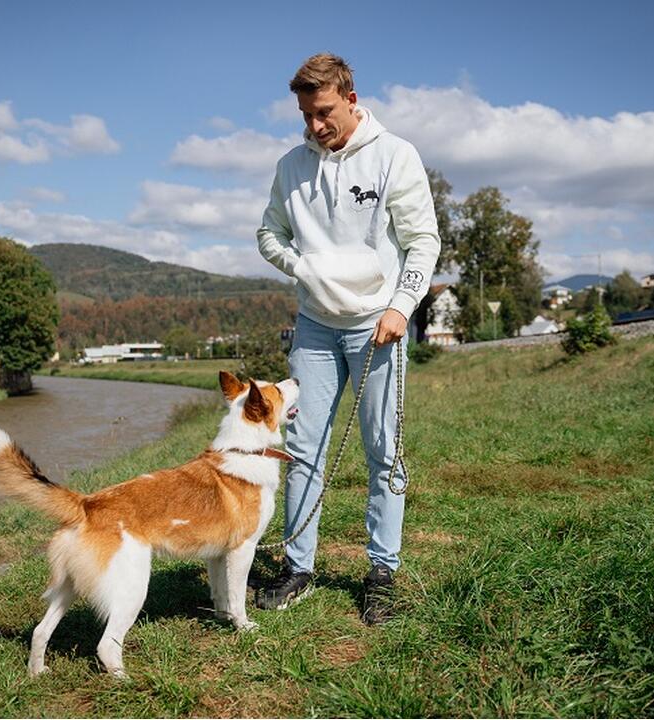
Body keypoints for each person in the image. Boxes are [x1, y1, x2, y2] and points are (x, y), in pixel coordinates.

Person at [255, 53, 440, 624]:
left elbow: (423, 241)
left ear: (351, 99)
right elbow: (268, 233)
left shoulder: (395, 155)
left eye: (325, 113)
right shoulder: (291, 167)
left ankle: (382, 573)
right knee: (303, 448)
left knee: (384, 450)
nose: (316, 126)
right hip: (314, 326)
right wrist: (302, 267)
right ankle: (298, 568)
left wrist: (402, 306)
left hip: (377, 324)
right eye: (306, 116)